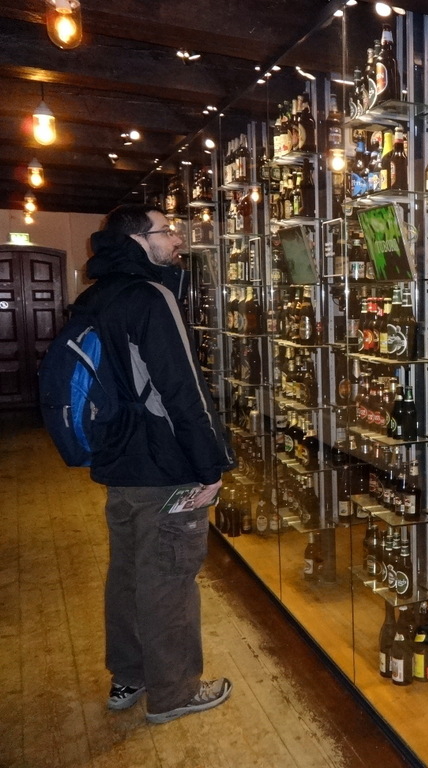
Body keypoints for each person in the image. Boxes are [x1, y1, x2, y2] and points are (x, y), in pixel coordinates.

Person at [81, 204, 236, 723]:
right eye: (166, 231)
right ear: (137, 241)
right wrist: (210, 466)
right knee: (169, 578)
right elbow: (182, 390)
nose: (177, 239)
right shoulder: (151, 296)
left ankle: (129, 676)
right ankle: (174, 692)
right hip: (165, 465)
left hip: (117, 460)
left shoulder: (97, 295)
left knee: (126, 573)